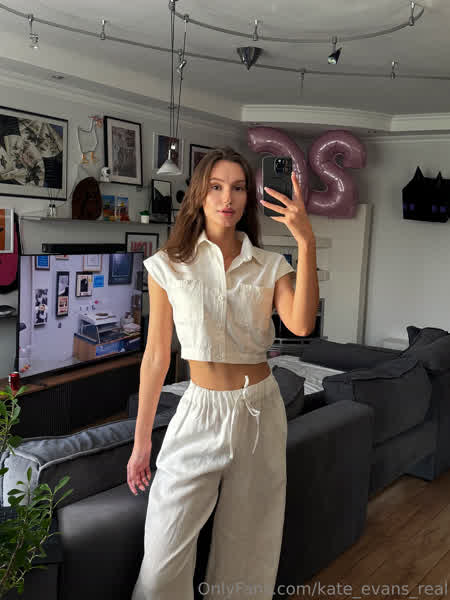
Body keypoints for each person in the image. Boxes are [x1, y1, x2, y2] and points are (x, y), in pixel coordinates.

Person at [128, 146, 318, 600]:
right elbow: (156, 357)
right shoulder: (167, 265)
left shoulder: (270, 266)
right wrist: (141, 441)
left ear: (248, 198)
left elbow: (301, 324)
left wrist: (306, 241)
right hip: (198, 413)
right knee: (162, 562)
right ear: (199, 193)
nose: (226, 198)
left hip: (260, 413)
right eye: (215, 187)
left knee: (248, 557)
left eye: (237, 188)